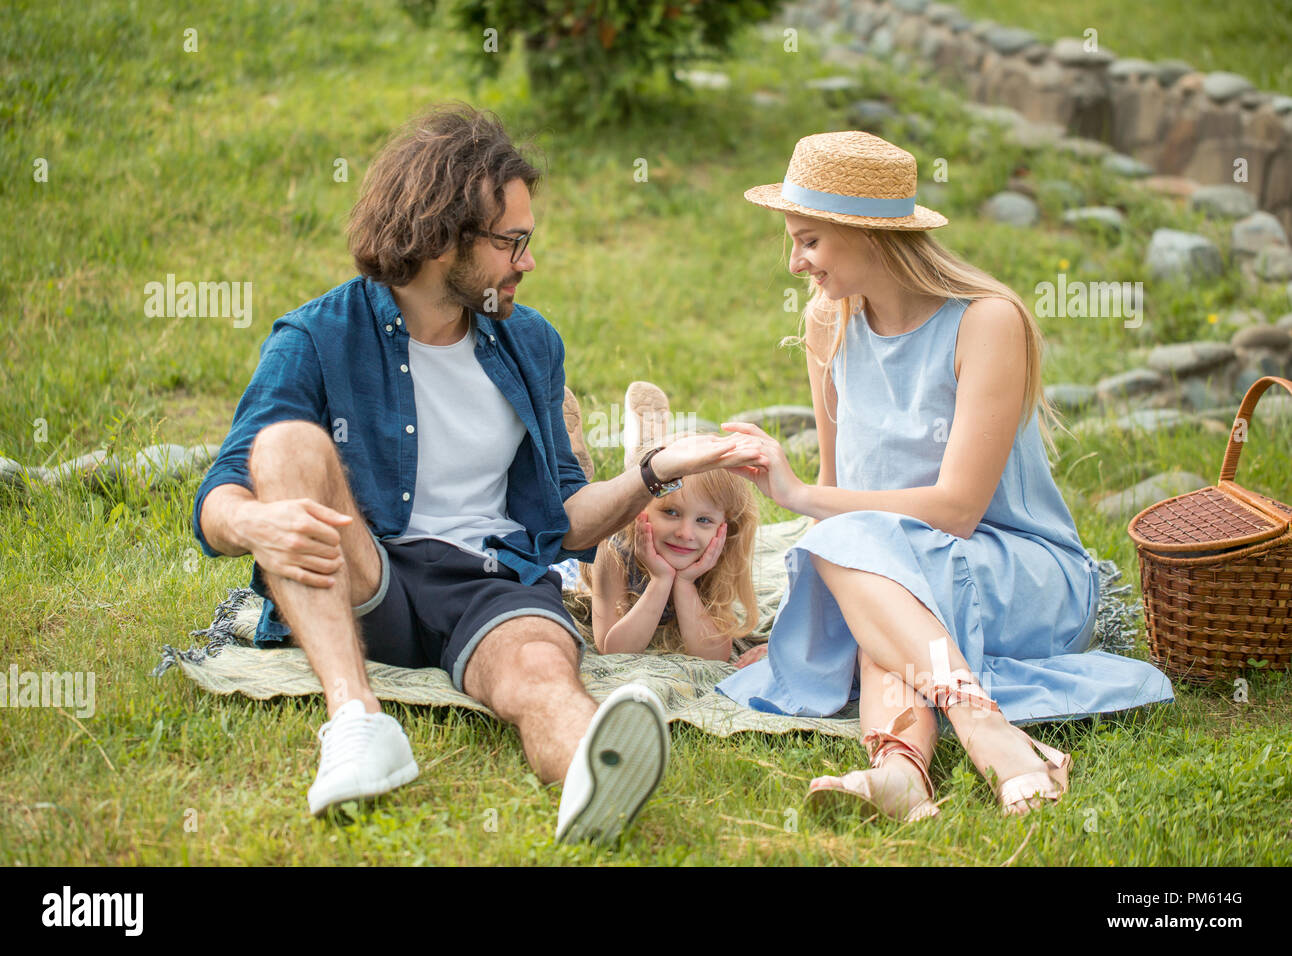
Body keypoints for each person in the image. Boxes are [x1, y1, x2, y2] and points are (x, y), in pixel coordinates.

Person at [190, 103, 761, 842]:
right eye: (510, 242)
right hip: (367, 573)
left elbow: (566, 519)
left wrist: (657, 471)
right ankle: (356, 721)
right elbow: (221, 493)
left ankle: (596, 773)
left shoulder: (529, 343)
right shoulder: (318, 335)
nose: (527, 261)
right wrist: (254, 520)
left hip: (492, 583)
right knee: (282, 448)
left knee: (539, 671)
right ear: (439, 237)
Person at [717, 131, 1173, 822]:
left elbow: (958, 511)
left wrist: (798, 493)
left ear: (865, 234)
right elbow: (843, 497)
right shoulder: (827, 323)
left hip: (1019, 572)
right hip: (892, 571)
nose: (794, 262)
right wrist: (796, 631)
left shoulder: (985, 322)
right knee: (873, 580)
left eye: (808, 240)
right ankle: (901, 771)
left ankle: (977, 724)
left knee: (870, 569)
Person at [580, 419, 760, 661]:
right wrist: (661, 580)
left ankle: (643, 437)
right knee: (574, 517)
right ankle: (578, 465)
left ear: (722, 526)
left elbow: (715, 656)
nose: (685, 533)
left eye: (704, 520)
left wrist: (685, 583)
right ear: (640, 508)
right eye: (671, 513)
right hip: (580, 549)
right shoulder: (613, 550)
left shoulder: (716, 554)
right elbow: (612, 649)